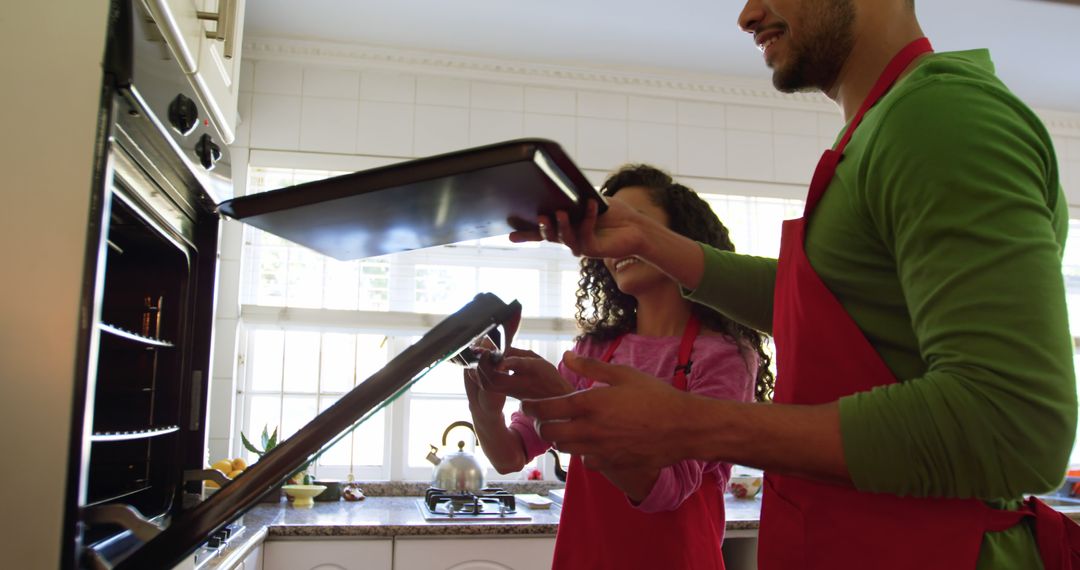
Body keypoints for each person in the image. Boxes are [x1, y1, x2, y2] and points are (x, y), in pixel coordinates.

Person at [510, 1, 1079, 569]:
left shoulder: (941, 117)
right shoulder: (884, 129)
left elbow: (1015, 424)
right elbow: (824, 305)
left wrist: (691, 423)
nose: (747, 14)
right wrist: (650, 240)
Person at [463, 165, 775, 569]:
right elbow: (510, 455)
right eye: (605, 231)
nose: (614, 243)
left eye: (633, 223)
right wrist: (485, 411)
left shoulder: (723, 356)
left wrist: (559, 395)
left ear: (678, 237)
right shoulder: (593, 349)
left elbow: (667, 491)